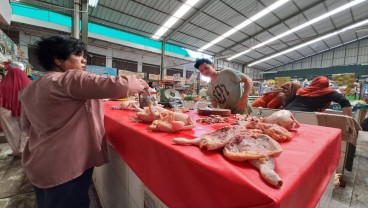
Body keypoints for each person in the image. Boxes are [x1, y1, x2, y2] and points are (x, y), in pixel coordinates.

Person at [19, 35, 148, 208]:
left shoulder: (30, 88)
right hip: (65, 167)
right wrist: (141, 83)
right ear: (58, 59)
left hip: (38, 162)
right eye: (78, 55)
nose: (83, 59)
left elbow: (26, 127)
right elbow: (121, 86)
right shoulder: (69, 79)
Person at [0, 64, 31, 156]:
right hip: (25, 109)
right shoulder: (29, 84)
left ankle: (16, 151)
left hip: (6, 110)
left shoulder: (2, 85)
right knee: (25, 129)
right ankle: (24, 149)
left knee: (11, 131)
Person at [285, 76, 352, 116]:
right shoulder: (328, 92)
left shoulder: (302, 90)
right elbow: (344, 101)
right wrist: (348, 119)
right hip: (305, 115)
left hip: (286, 111)